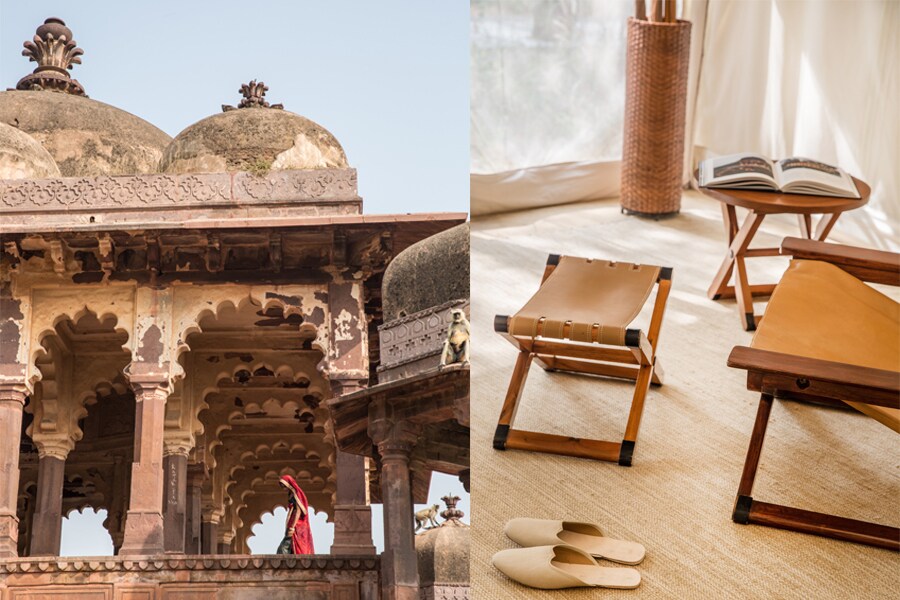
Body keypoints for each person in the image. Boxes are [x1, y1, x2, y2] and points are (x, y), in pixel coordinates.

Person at [276, 475, 315, 554]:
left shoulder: (296, 493)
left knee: (282, 549)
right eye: (282, 487)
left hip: (297, 524)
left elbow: (298, 510)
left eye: (284, 486)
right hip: (292, 522)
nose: (284, 488)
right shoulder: (291, 494)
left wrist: (293, 526)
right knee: (288, 548)